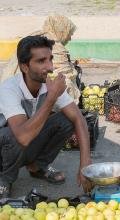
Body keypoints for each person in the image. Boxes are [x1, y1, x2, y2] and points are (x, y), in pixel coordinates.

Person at [0, 35, 91, 198]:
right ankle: (4, 179)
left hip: (24, 143)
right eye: (41, 61)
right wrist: (51, 98)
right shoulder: (9, 89)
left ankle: (37, 166)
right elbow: (22, 137)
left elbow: (79, 119)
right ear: (25, 67)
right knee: (12, 134)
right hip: (5, 148)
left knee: (66, 119)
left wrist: (85, 164)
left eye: (50, 59)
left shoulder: (48, 84)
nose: (50, 67)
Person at [0, 14, 81, 104]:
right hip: (31, 86)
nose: (69, 38)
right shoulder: (55, 45)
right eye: (68, 34)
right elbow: (65, 72)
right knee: (65, 82)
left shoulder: (38, 36)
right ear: (62, 32)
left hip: (16, 82)